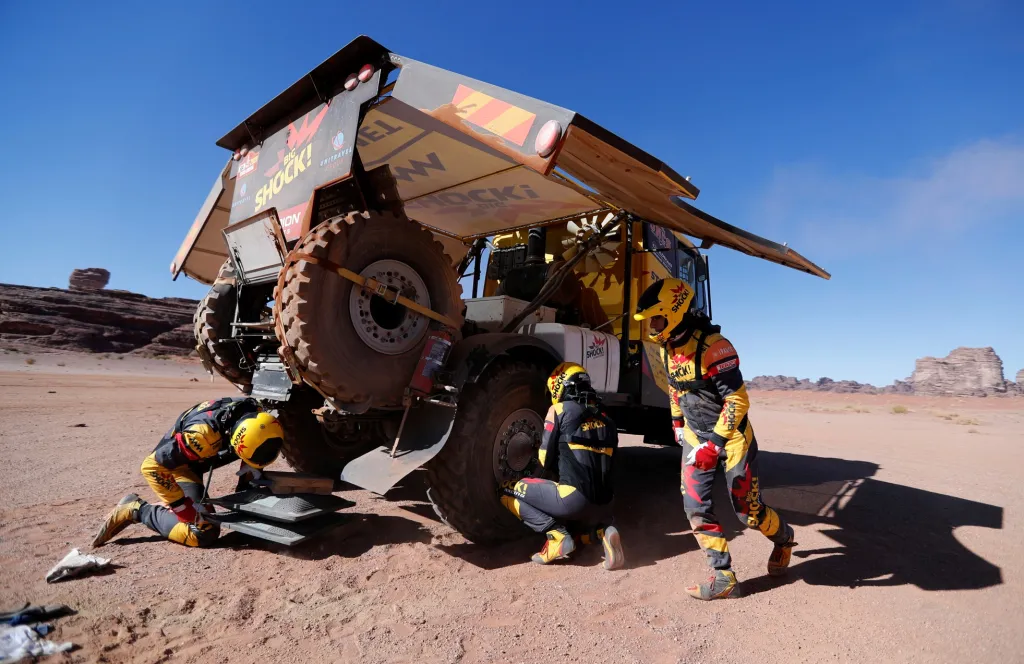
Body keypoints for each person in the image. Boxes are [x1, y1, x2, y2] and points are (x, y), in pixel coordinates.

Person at [632, 278, 796, 600]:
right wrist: (678, 423)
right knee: (694, 507)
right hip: (696, 435)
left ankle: (784, 538)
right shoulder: (668, 348)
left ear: (674, 313)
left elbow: (737, 401)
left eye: (656, 319)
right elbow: (676, 390)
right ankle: (723, 576)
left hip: (732, 438)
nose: (652, 327)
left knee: (748, 513)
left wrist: (715, 444)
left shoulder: (715, 347)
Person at [92, 396, 284, 548]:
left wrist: (248, 491)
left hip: (207, 454)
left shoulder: (257, 414)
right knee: (203, 533)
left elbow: (256, 447)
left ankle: (245, 493)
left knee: (250, 477)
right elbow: (150, 467)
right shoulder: (200, 437)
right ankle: (136, 510)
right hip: (179, 467)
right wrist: (183, 508)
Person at [499, 362, 624, 570]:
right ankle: (603, 533)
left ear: (558, 386)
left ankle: (556, 536)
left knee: (508, 489)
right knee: (577, 531)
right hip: (605, 505)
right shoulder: (607, 418)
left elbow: (544, 459)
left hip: (573, 500)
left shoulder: (559, 409)